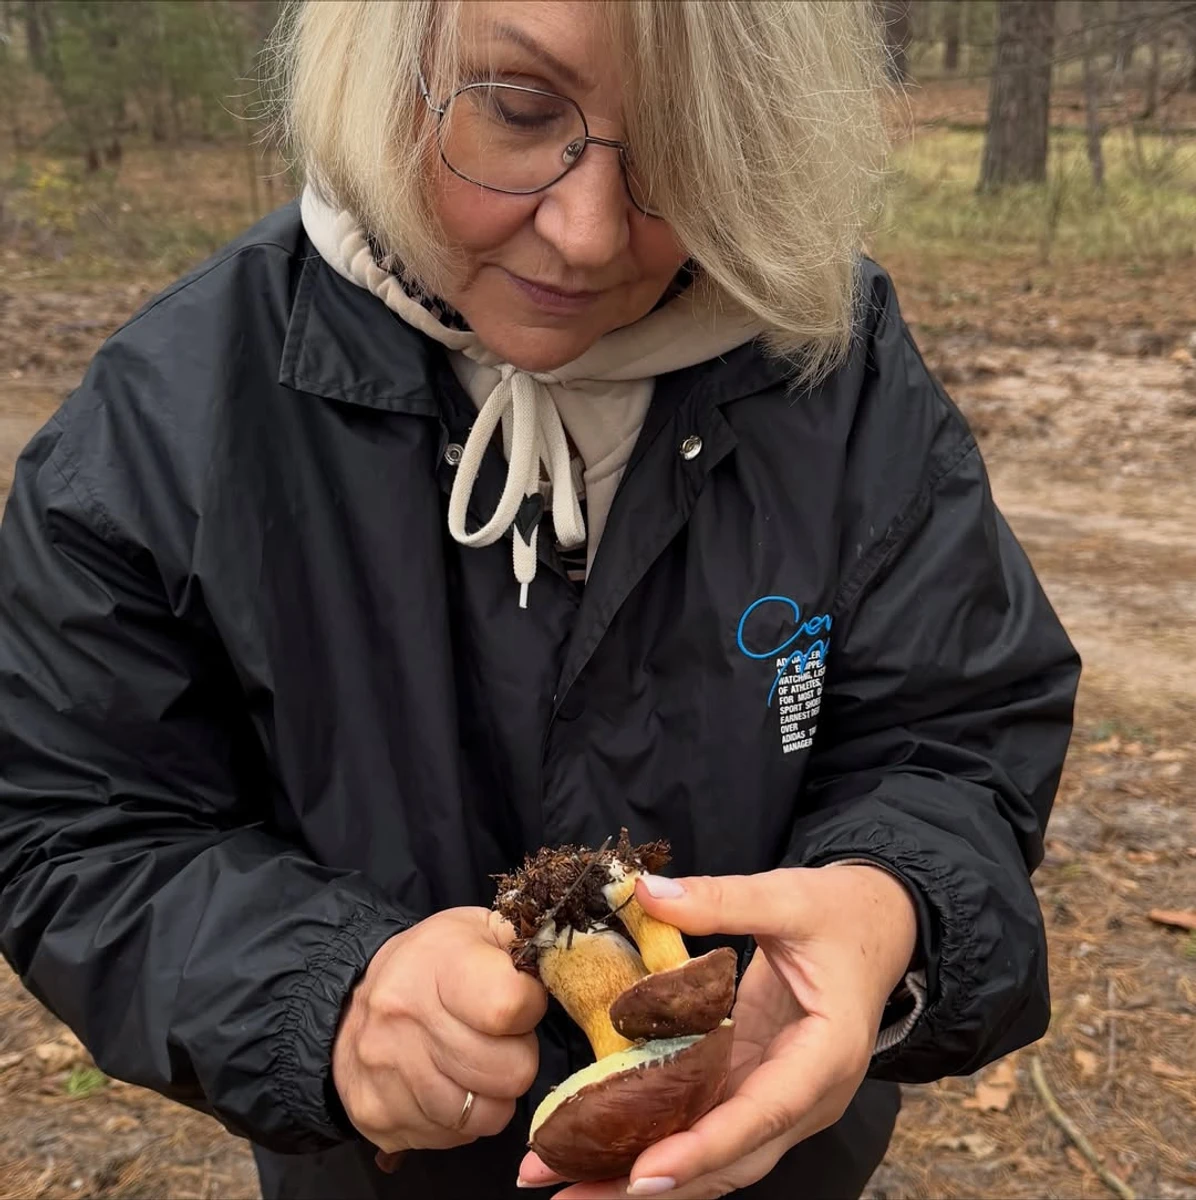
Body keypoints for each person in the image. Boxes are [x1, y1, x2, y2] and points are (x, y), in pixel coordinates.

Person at [0, 3, 1079, 1198]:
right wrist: (324, 993)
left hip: (767, 1166)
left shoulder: (831, 367)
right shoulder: (174, 418)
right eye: (517, 112)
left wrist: (890, 904)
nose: (584, 232)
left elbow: (954, 733)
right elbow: (73, 825)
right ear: (379, 69)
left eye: (683, 140)